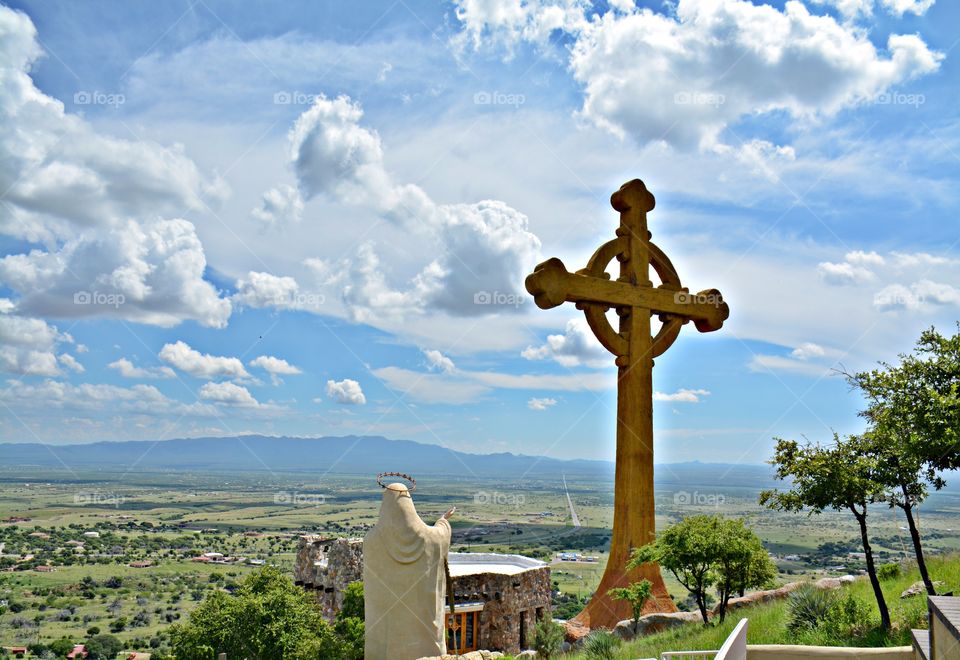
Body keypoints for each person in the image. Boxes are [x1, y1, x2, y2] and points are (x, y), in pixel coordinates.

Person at [364, 478, 455, 660]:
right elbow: (441, 535)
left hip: (382, 647)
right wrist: (443, 520)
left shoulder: (371, 541)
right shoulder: (430, 539)